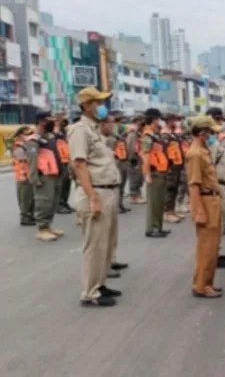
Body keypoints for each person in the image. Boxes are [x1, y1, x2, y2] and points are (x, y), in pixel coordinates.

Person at [68, 86, 122, 307]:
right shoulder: (79, 129)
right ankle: (89, 293)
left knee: (107, 243)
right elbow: (79, 164)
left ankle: (100, 284)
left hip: (108, 190)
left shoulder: (95, 130)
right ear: (88, 105)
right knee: (95, 244)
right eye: (99, 103)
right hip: (97, 191)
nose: (102, 107)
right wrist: (92, 197)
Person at [185, 115, 224, 299]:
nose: (212, 136)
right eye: (210, 132)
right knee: (206, 246)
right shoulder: (195, 154)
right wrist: (199, 211)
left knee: (213, 245)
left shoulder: (203, 150)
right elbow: (193, 185)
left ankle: (207, 282)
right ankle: (201, 286)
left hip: (212, 200)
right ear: (202, 133)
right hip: (205, 201)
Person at [99, 112, 129, 277]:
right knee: (102, 233)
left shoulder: (110, 139)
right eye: (111, 123)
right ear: (103, 124)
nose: (114, 126)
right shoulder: (96, 142)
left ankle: (111, 259)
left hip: (112, 186)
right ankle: (103, 267)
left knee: (112, 231)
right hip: (101, 189)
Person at [27, 111, 65, 242]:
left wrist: (59, 123)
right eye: (50, 120)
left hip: (55, 174)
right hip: (44, 177)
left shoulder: (48, 137)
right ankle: (42, 229)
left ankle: (48, 227)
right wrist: (34, 178)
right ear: (42, 121)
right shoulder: (33, 140)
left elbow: (57, 134)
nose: (53, 122)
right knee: (44, 202)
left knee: (53, 202)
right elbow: (32, 161)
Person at [206, 108, 225, 269]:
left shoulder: (214, 140)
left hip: (222, 185)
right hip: (218, 186)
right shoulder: (210, 143)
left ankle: (216, 252)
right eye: (218, 120)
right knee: (215, 225)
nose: (221, 123)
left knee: (219, 224)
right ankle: (212, 256)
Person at [141, 108, 171, 238]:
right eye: (158, 119)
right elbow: (146, 157)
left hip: (161, 172)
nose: (160, 122)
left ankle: (158, 227)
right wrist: (147, 175)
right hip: (154, 173)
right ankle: (152, 228)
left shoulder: (154, 135)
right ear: (154, 120)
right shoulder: (147, 137)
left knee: (159, 202)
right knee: (154, 202)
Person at [161, 113, 185, 224]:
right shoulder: (165, 134)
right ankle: (168, 213)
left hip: (176, 165)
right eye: (173, 120)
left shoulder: (172, 133)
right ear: (168, 121)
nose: (175, 122)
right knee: (170, 189)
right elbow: (164, 151)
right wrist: (167, 166)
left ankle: (172, 210)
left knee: (174, 188)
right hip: (170, 166)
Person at [106, 110, 132, 214]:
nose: (123, 123)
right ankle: (116, 206)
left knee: (122, 184)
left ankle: (120, 204)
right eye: (120, 120)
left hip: (123, 160)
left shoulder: (121, 134)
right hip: (116, 161)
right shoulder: (110, 136)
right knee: (116, 184)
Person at [12, 126, 35, 226]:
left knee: (31, 197)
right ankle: (25, 218)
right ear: (21, 135)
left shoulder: (27, 145)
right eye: (28, 134)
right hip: (23, 176)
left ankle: (30, 216)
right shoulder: (18, 147)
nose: (30, 136)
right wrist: (22, 175)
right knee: (25, 198)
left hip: (29, 175)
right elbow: (21, 162)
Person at [55, 116, 74, 214]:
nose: (64, 125)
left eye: (65, 123)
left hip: (67, 162)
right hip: (59, 163)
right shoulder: (54, 134)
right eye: (62, 123)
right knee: (61, 185)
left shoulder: (65, 135)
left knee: (67, 184)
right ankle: (59, 204)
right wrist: (57, 124)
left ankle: (65, 202)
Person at [126, 112, 146, 205]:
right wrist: (132, 158)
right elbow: (130, 145)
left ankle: (137, 194)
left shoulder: (139, 131)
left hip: (139, 156)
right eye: (142, 120)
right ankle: (134, 196)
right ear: (138, 121)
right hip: (134, 158)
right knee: (135, 177)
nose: (144, 122)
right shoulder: (133, 132)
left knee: (139, 177)